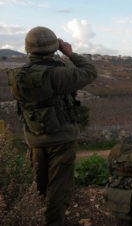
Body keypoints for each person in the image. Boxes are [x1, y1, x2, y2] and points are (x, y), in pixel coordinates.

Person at [7, 26, 97, 226]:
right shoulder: (56, 75)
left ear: (28, 48)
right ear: (53, 47)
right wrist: (70, 53)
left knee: (40, 184)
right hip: (61, 139)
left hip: (35, 138)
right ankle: (53, 221)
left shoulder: (17, 75)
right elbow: (90, 72)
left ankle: (35, 215)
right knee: (59, 187)